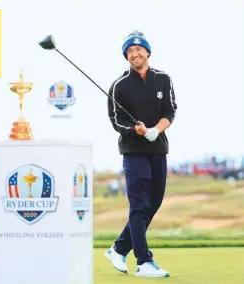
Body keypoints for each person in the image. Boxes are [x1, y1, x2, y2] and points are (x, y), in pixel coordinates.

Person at [104, 30, 177, 278]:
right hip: (133, 151)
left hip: (157, 148)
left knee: (153, 204)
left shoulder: (164, 79)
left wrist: (156, 130)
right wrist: (137, 130)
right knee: (139, 204)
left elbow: (170, 111)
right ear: (127, 56)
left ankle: (119, 248)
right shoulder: (119, 86)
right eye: (129, 51)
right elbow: (116, 121)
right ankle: (143, 262)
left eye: (138, 49)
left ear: (147, 52)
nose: (134, 54)